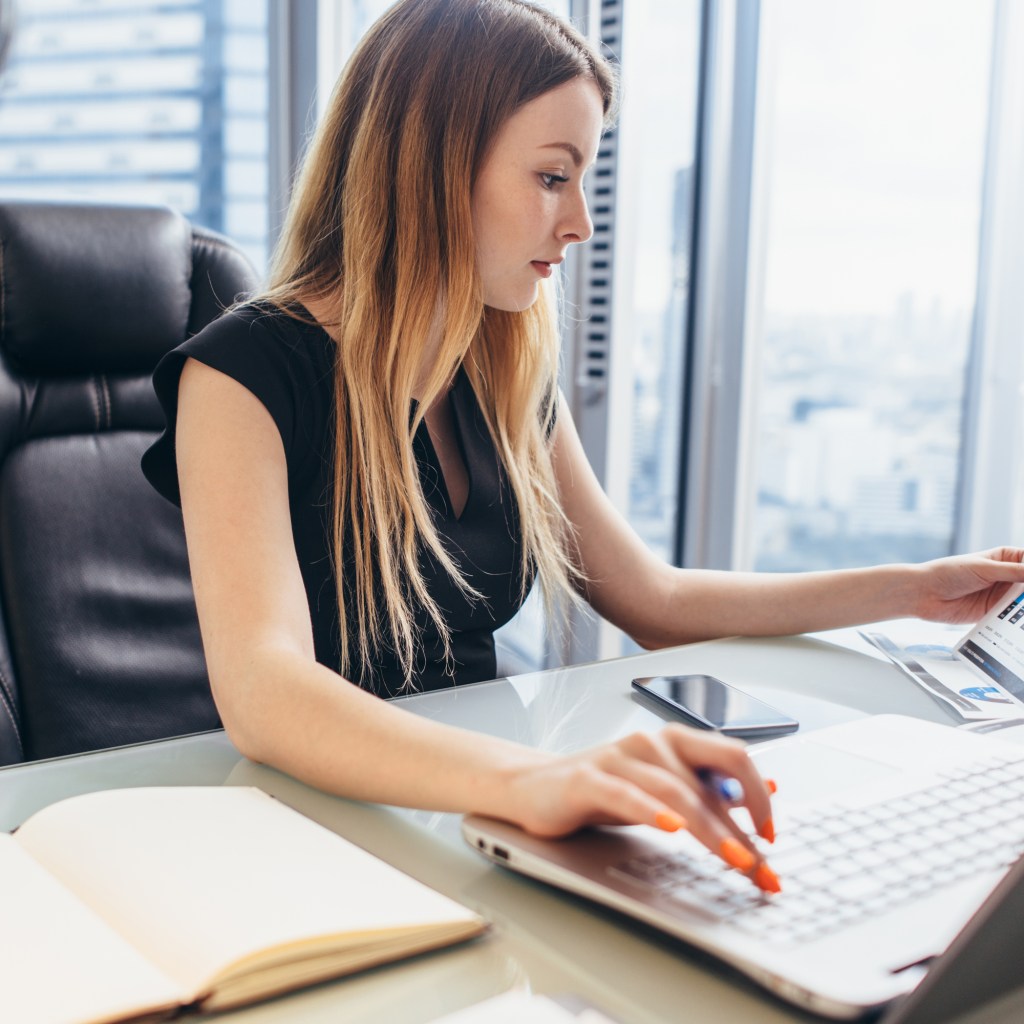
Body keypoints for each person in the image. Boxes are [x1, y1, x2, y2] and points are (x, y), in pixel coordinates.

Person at [143, 0, 1024, 894]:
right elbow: (265, 691)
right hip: (305, 836)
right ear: (435, 167)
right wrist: (537, 780)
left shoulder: (500, 368)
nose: (582, 226)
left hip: (460, 824)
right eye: (552, 178)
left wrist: (910, 592)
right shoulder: (241, 375)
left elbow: (655, 598)